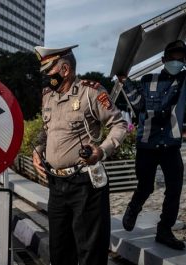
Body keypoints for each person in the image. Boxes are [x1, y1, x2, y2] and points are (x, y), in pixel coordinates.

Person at [32, 45, 127, 265]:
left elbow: (119, 124)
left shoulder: (90, 92)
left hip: (84, 183)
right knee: (59, 249)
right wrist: (38, 150)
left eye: (49, 71)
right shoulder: (48, 96)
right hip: (56, 183)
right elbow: (46, 131)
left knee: (89, 251)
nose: (46, 77)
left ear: (65, 70)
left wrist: (101, 150)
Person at [118, 40, 186, 250]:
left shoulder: (185, 80)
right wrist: (125, 82)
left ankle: (164, 230)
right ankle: (133, 208)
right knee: (145, 185)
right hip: (147, 144)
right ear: (163, 60)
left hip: (170, 145)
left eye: (180, 59)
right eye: (172, 58)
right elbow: (138, 105)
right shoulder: (148, 80)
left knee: (174, 188)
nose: (176, 62)